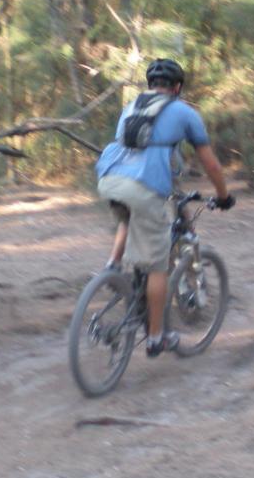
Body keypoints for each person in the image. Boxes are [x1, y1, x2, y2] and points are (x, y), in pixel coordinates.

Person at [96, 58, 234, 356]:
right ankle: (157, 337)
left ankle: (113, 266)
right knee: (158, 265)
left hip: (110, 179)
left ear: (150, 85)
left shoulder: (131, 107)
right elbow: (210, 163)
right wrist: (224, 195)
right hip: (143, 187)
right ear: (178, 87)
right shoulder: (185, 112)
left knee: (129, 215)